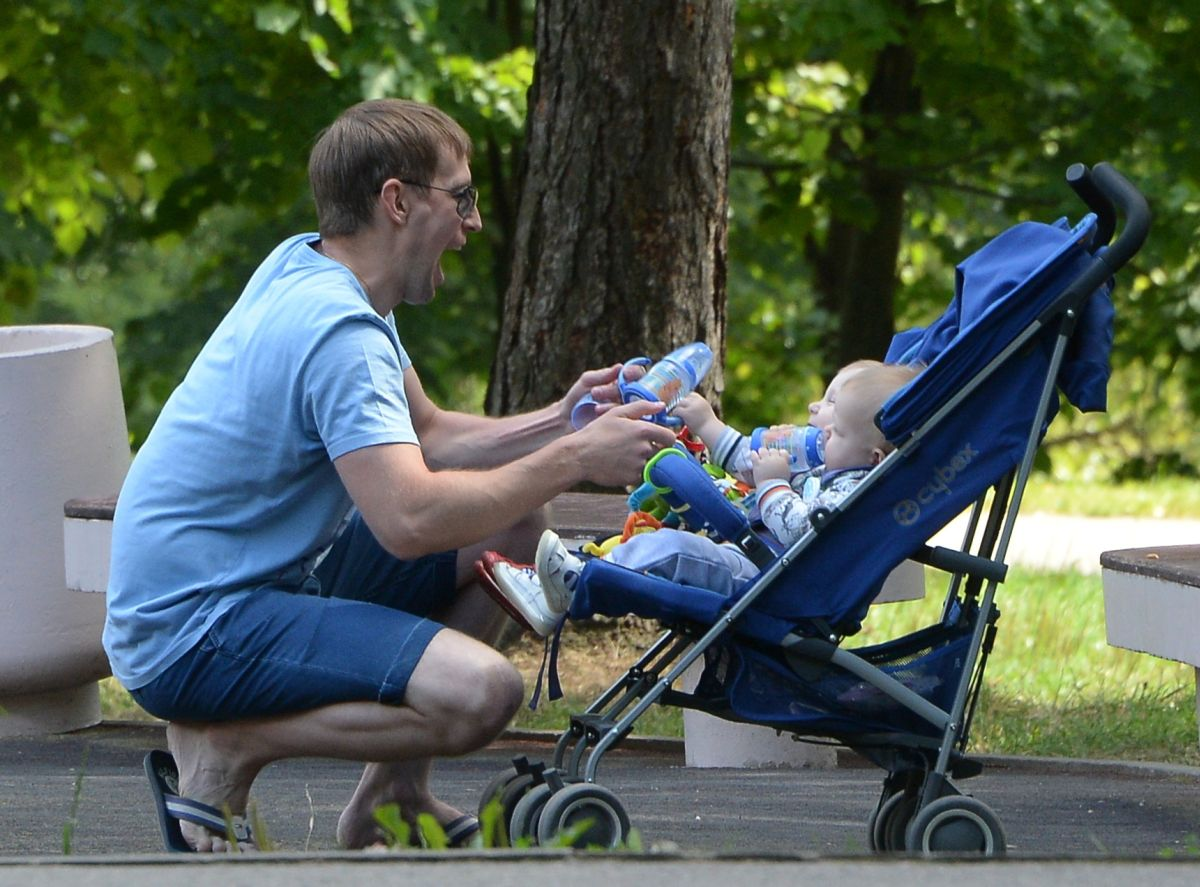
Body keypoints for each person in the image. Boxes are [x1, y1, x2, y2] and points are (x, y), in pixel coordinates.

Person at [102, 98, 678, 853]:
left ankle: (391, 799)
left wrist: (561, 420)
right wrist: (574, 460)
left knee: (516, 524)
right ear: (397, 201)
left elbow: (428, 433)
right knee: (481, 694)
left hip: (238, 587)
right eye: (461, 197)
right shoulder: (338, 331)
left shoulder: (314, 266)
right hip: (194, 628)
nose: (474, 222)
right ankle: (230, 745)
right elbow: (409, 523)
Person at [483, 363, 921, 635]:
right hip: (761, 562)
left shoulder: (852, 490)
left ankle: (577, 583)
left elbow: (804, 529)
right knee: (664, 537)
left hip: (772, 579)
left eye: (838, 431)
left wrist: (773, 485)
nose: (825, 433)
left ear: (875, 457)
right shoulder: (833, 469)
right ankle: (564, 582)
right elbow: (744, 458)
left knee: (672, 550)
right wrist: (713, 432)